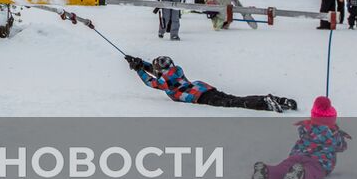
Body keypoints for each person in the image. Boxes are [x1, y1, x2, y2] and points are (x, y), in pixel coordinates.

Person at [124, 55, 295, 112]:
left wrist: (138, 69)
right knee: (233, 98)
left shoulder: (165, 81)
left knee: (232, 103)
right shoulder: (175, 71)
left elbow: (151, 81)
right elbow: (157, 73)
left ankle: (266, 103)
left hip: (197, 96)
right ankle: (275, 99)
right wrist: (141, 63)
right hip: (202, 87)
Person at [252, 96, 349, 179]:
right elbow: (342, 146)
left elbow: (306, 133)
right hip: (318, 161)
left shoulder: (306, 128)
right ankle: (302, 175)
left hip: (297, 155)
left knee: (283, 168)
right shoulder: (334, 135)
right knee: (313, 172)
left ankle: (267, 172)